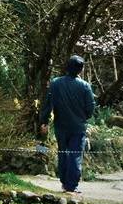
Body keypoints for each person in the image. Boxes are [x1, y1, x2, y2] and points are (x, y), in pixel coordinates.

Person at [39, 55, 96, 194]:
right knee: (75, 155)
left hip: (61, 125)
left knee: (63, 153)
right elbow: (91, 107)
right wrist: (84, 117)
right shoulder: (85, 86)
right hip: (78, 126)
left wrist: (44, 121)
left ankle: (64, 182)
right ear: (80, 70)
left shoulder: (56, 83)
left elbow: (48, 104)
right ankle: (71, 186)